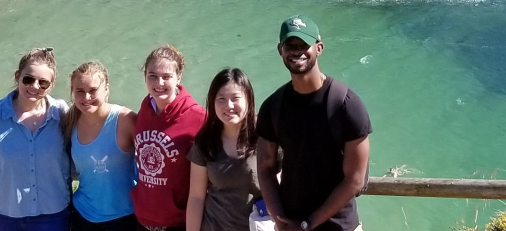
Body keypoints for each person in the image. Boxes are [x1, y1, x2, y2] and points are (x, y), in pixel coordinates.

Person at [257, 15, 372, 231]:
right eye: (290, 45)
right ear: (280, 49)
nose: (297, 51)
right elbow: (265, 168)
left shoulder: (346, 105)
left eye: (304, 45)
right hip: (292, 224)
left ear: (319, 48)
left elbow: (355, 179)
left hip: (339, 226)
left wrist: (308, 223)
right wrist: (279, 217)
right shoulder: (273, 106)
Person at [0, 47, 72, 231]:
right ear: (18, 76)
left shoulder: (62, 115)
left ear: (51, 85)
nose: (35, 87)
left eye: (43, 83)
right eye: (28, 79)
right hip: (4, 219)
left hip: (54, 218)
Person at [131, 45, 206, 231]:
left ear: (178, 77)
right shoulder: (145, 109)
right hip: (143, 218)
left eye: (167, 77)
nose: (159, 83)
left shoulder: (198, 117)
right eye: (153, 76)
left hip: (178, 222)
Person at [64, 61, 138, 231]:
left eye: (93, 91)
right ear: (72, 92)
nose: (86, 98)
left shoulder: (126, 120)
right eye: (80, 92)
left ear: (106, 89)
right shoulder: (69, 121)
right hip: (83, 215)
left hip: (125, 216)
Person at [186, 68, 261, 231]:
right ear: (212, 102)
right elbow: (196, 198)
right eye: (221, 99)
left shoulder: (264, 136)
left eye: (235, 98)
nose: (229, 106)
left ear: (248, 99)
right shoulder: (206, 140)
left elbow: (282, 187)